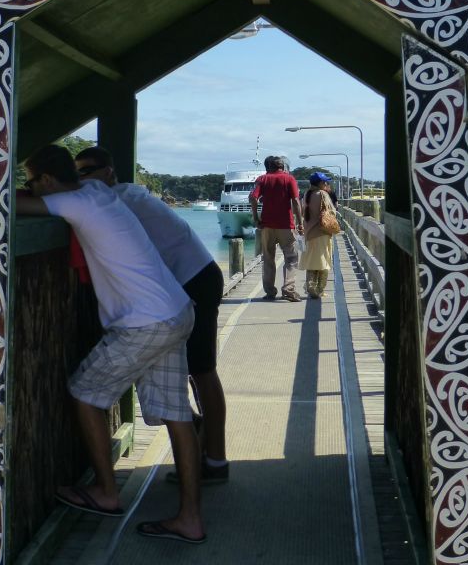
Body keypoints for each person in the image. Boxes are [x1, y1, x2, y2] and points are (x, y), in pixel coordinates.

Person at [17, 144, 205, 544]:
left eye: (31, 181)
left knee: (85, 393)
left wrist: (23, 194)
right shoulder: (98, 193)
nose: (30, 189)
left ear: (47, 181)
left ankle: (105, 492)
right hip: (176, 309)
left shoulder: (74, 204)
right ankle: (190, 518)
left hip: (145, 323)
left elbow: (11, 205)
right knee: (177, 415)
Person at [74, 146, 229, 484]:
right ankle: (202, 440)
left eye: (88, 171)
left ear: (109, 172)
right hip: (187, 282)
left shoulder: (118, 198)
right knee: (178, 372)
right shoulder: (120, 196)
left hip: (195, 279)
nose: (82, 179)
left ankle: (215, 460)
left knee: (202, 372)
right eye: (77, 174)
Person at [250, 156, 304, 301]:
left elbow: (253, 197)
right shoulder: (289, 179)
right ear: (282, 166)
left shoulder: (262, 179)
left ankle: (269, 292)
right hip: (286, 225)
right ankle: (288, 289)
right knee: (291, 258)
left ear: (268, 167)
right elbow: (295, 201)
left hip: (267, 225)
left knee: (268, 259)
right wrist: (300, 223)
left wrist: (256, 218)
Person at [299, 172, 337, 299]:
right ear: (320, 183)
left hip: (309, 233)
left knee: (312, 262)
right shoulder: (322, 194)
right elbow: (331, 211)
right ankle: (319, 290)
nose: (326, 184)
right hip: (321, 232)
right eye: (325, 182)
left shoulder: (306, 194)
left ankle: (311, 286)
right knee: (323, 262)